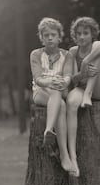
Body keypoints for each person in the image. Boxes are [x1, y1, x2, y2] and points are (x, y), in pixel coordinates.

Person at [64, 17, 100, 177]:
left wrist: (87, 60)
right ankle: (73, 157)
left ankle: (88, 95)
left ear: (92, 34)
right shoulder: (72, 52)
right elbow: (71, 79)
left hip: (99, 90)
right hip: (81, 86)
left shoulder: (96, 45)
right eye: (78, 34)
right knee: (71, 102)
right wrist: (82, 73)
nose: (82, 37)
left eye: (86, 33)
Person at [30, 17, 75, 174]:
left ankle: (48, 131)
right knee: (61, 105)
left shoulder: (67, 55)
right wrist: (51, 82)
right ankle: (64, 155)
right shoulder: (35, 54)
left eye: (53, 34)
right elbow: (38, 79)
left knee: (58, 96)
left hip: (59, 90)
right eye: (46, 35)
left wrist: (64, 82)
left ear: (59, 37)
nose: (50, 37)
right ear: (41, 38)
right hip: (41, 93)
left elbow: (69, 75)